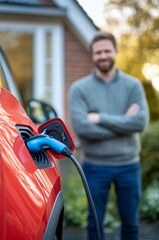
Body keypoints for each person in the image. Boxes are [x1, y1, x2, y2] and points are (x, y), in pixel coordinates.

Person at [69, 31, 149, 240]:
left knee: (131, 225)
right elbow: (83, 128)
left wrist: (100, 118)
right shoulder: (79, 89)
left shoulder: (133, 86)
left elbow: (140, 123)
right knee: (94, 225)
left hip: (129, 166)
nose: (103, 56)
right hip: (95, 167)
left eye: (107, 51)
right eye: (98, 52)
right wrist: (124, 122)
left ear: (115, 51)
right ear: (92, 55)